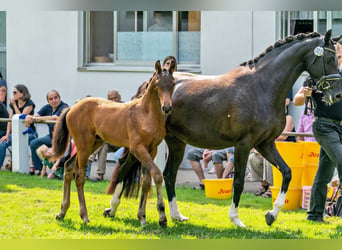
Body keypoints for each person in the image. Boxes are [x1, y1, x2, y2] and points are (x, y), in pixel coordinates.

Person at [293, 43, 342, 222]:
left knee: (323, 175)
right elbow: (297, 101)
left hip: (340, 128)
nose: (337, 48)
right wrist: (304, 94)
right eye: (334, 47)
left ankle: (314, 215)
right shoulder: (315, 77)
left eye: (339, 46)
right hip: (324, 126)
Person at [25, 90, 68, 175]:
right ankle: (40, 169)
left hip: (63, 138)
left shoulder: (64, 107)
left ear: (59, 98)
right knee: (34, 143)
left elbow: (54, 118)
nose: (54, 100)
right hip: (51, 136)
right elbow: (37, 115)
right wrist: (30, 117)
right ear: (48, 101)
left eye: (56, 98)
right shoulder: (47, 107)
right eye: (51, 99)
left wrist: (36, 119)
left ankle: (57, 170)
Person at [87, 89, 123, 181]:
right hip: (111, 141)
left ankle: (90, 158)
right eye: (111, 99)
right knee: (103, 145)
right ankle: (100, 175)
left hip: (124, 142)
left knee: (102, 142)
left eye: (115, 98)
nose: (114, 101)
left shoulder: (124, 109)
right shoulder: (106, 110)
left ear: (120, 97)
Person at [0, 84, 37, 170]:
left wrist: (14, 106)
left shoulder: (29, 103)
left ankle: (35, 166)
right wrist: (7, 134)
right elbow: (10, 120)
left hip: (28, 132)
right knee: (2, 144)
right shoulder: (14, 104)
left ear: (22, 93)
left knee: (33, 143)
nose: (13, 94)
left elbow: (21, 118)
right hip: (16, 132)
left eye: (15, 92)